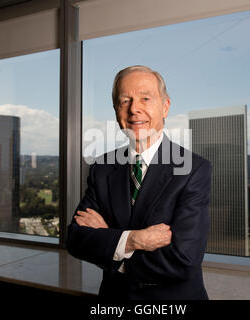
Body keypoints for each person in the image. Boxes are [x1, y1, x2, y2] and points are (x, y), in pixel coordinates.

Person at [66, 65, 212, 300]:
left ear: (165, 106)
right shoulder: (102, 169)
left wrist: (111, 240)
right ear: (116, 110)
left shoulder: (193, 169)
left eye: (146, 98)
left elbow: (183, 261)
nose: (135, 109)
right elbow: (76, 239)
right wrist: (134, 240)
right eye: (125, 101)